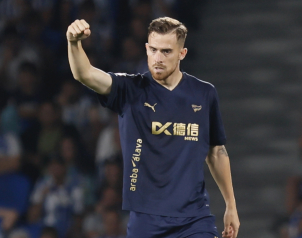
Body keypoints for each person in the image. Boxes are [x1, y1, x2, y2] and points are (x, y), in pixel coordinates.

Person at [67, 17, 240, 238]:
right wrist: (74, 43)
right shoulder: (130, 89)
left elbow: (216, 151)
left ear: (182, 53)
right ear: (147, 48)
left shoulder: (204, 93)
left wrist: (231, 205)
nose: (158, 58)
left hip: (195, 218)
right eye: (154, 50)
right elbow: (85, 74)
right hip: (146, 220)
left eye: (166, 52)